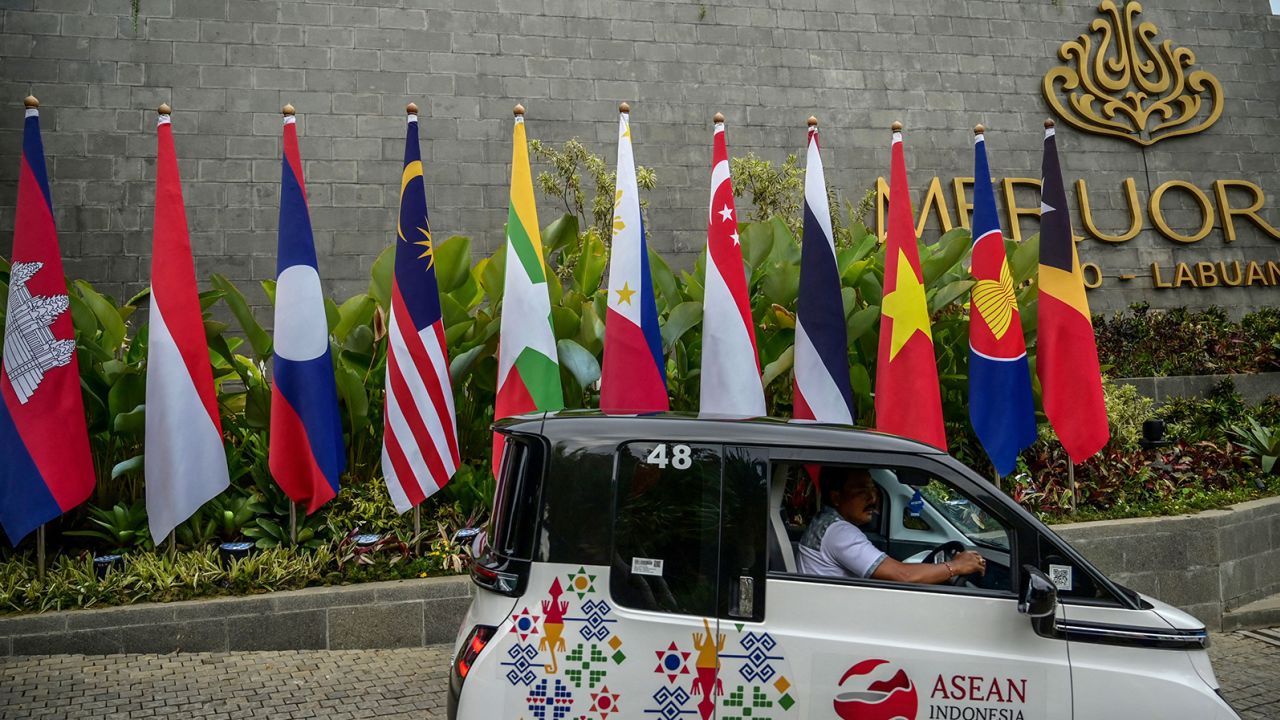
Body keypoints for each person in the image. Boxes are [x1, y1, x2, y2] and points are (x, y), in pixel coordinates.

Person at [797, 467, 987, 584]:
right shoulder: (839, 533)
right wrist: (956, 567)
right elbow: (903, 575)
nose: (872, 498)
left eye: (873, 489)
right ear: (836, 497)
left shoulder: (826, 523)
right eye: (862, 491)